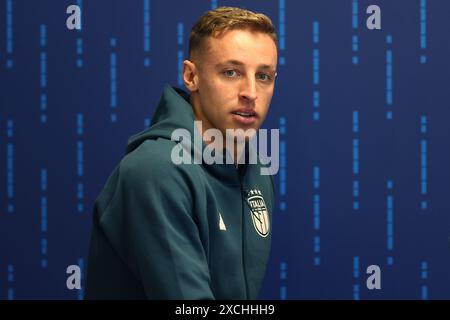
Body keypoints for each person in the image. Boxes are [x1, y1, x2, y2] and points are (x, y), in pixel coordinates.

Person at [85, 6, 278, 299]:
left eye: (264, 76)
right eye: (231, 72)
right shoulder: (156, 171)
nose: (250, 92)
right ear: (191, 76)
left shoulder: (257, 168)